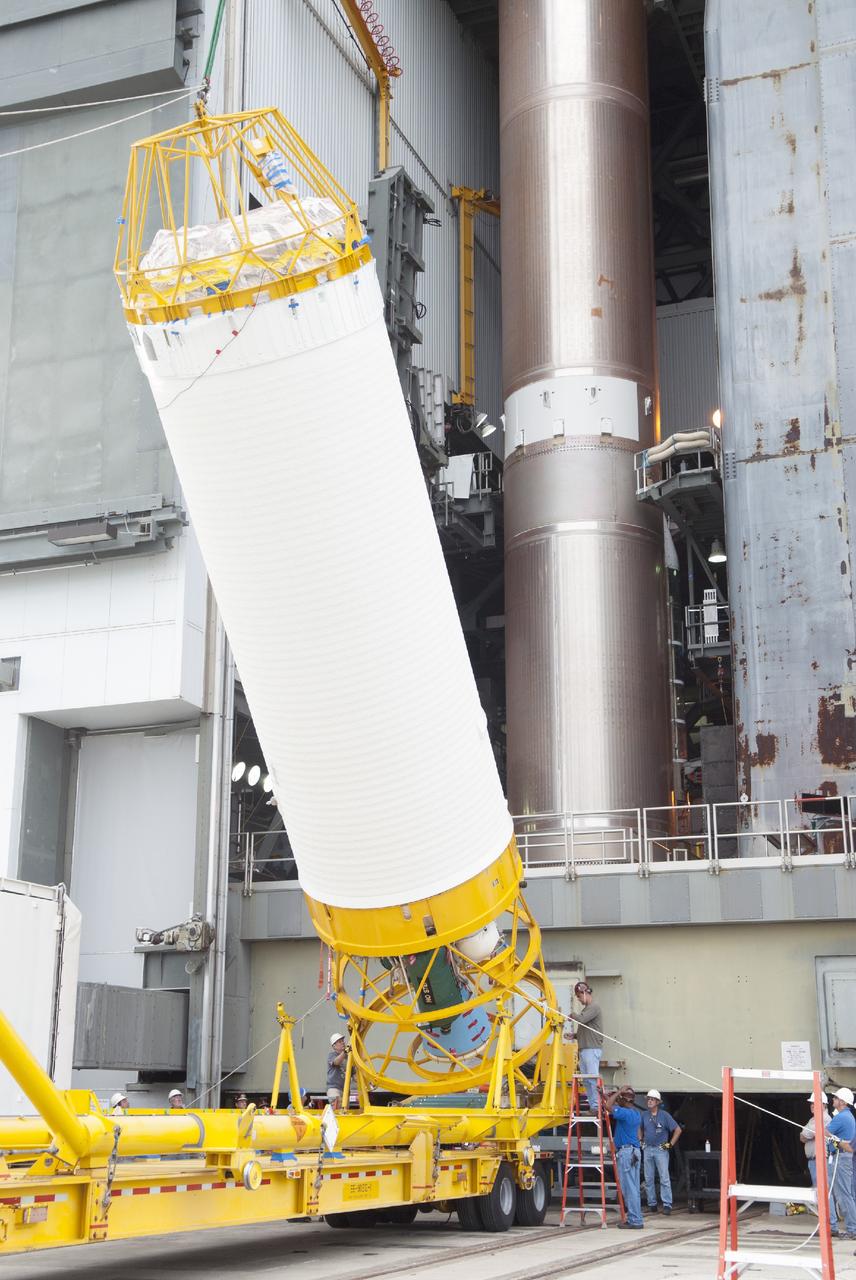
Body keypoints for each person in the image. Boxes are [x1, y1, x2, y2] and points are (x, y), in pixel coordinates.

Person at [605, 1084, 644, 1229]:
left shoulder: (624, 1113)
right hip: (634, 1152)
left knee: (629, 1189)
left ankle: (635, 1220)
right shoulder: (635, 1114)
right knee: (634, 1187)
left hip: (626, 1153)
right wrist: (610, 1095)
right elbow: (613, 1104)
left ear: (625, 1100)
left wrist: (618, 1092)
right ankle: (636, 1218)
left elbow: (609, 1106)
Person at [642, 1089, 682, 1214]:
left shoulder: (664, 1115)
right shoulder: (644, 1115)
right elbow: (639, 1127)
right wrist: (640, 1140)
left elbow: (677, 1130)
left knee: (664, 1178)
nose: (649, 1101)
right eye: (648, 1099)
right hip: (648, 1148)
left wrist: (669, 1145)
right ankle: (652, 1203)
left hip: (660, 1149)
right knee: (648, 1178)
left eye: (652, 1099)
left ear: (658, 1102)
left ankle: (667, 1204)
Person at [827, 1086, 856, 1239]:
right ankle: (852, 1228)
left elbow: (825, 1131)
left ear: (843, 1102)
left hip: (841, 1157)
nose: (834, 1100)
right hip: (843, 1157)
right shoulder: (848, 1116)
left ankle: (853, 1229)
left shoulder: (842, 1117)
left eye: (836, 1098)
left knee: (844, 1194)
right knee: (846, 1193)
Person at [572, 981, 604, 1115]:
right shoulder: (587, 1009)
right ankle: (593, 1106)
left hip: (591, 1049)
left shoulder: (594, 1007)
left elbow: (581, 1019)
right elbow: (586, 1029)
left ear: (584, 993)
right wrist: (574, 1035)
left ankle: (596, 1106)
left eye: (579, 996)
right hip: (585, 1049)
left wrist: (572, 1015)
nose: (579, 1000)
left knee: (591, 1079)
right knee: (586, 1080)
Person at [799, 1091, 828, 1188]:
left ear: (823, 1105)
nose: (811, 1105)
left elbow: (806, 1134)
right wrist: (807, 1135)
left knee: (821, 1190)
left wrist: (807, 1135)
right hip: (813, 1162)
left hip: (820, 1161)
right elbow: (802, 1137)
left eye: (814, 1103)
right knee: (816, 1189)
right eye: (811, 1103)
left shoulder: (824, 1119)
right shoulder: (812, 1120)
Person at [327, 1032, 348, 1110]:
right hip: (334, 1088)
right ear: (334, 1046)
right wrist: (345, 1052)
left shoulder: (348, 1058)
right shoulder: (332, 1055)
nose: (343, 1042)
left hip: (345, 1090)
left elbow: (354, 1075)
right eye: (340, 1041)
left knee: (345, 1112)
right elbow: (336, 1062)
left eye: (343, 1041)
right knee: (337, 1109)